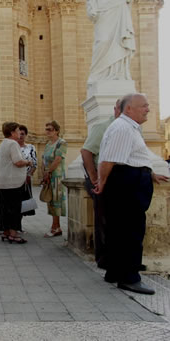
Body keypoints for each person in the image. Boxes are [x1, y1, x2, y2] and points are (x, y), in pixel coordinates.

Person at [94, 93, 169, 295]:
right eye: (144, 106)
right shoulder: (124, 128)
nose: (148, 109)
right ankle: (129, 278)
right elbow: (109, 161)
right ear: (129, 109)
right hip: (127, 184)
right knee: (131, 231)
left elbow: (130, 157)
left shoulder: (127, 128)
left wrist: (150, 173)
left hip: (129, 180)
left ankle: (115, 272)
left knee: (120, 229)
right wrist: (102, 183)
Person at [81, 99, 122, 269]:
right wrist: (94, 177)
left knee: (116, 222)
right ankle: (104, 259)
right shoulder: (104, 127)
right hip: (104, 181)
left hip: (118, 181)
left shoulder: (131, 128)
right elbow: (86, 151)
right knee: (104, 221)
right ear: (116, 110)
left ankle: (118, 258)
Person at [0, 122, 31, 244]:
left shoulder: (3, 143)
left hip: (2, 182)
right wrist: (28, 162)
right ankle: (13, 234)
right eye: (17, 130)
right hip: (13, 182)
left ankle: (6, 232)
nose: (19, 133)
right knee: (15, 209)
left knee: (5, 209)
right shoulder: (13, 144)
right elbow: (17, 162)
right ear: (12, 133)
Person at [86, 0, 135, 84]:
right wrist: (91, 6)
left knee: (118, 43)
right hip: (102, 9)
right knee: (103, 40)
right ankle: (97, 74)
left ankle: (118, 74)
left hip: (118, 6)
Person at [42, 120, 67, 237]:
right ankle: (55, 226)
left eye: (50, 129)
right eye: (46, 129)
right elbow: (44, 160)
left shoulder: (61, 143)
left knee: (56, 201)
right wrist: (44, 173)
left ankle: (56, 227)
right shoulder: (48, 144)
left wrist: (48, 172)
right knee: (50, 201)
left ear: (56, 130)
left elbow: (57, 159)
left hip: (56, 176)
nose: (47, 131)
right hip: (49, 176)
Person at [18, 124, 37, 225]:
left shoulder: (31, 147)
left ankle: (19, 224)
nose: (21, 136)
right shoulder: (13, 147)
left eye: (23, 134)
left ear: (26, 135)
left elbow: (34, 163)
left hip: (26, 179)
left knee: (24, 203)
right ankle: (16, 225)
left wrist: (29, 175)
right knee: (16, 202)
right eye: (19, 134)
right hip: (15, 179)